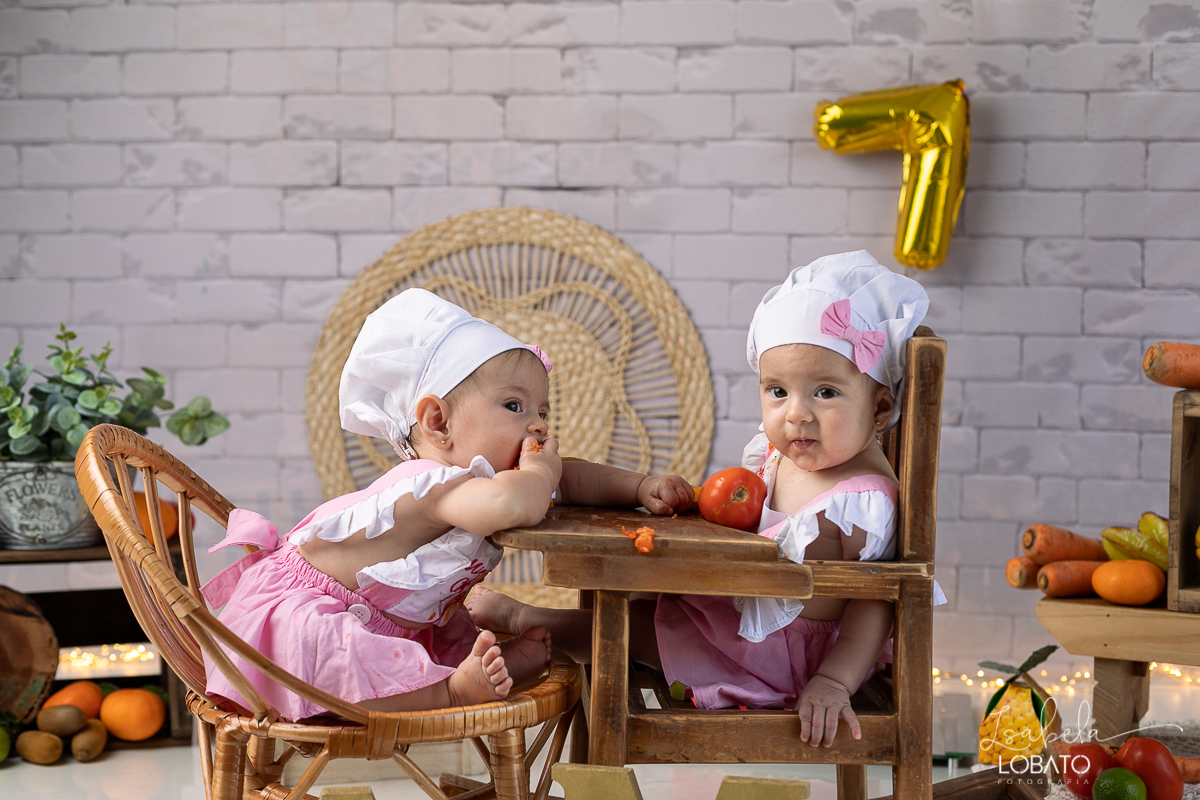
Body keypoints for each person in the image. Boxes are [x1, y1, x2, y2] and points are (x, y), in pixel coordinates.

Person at [468, 250, 947, 747]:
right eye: (778, 391)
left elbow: (877, 602)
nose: (797, 415)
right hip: (740, 612)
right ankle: (547, 633)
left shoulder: (864, 500)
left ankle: (527, 620)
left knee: (631, 633)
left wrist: (834, 681)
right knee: (638, 591)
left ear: (881, 408)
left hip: (785, 659)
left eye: (825, 393)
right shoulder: (790, 457)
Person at [200, 288, 693, 721]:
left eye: (543, 410)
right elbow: (515, 503)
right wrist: (541, 471)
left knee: (452, 631)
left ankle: (474, 672)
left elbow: (566, 474)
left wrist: (638, 487)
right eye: (515, 407)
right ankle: (452, 691)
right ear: (437, 422)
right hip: (310, 619)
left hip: (384, 622)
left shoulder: (493, 477)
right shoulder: (434, 485)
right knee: (344, 658)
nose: (539, 425)